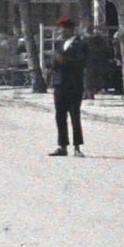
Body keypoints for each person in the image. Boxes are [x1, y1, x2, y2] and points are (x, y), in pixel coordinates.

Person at [48, 15, 93, 157]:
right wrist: (54, 61)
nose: (60, 32)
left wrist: (63, 60)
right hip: (60, 84)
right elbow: (54, 65)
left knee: (75, 115)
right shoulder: (59, 45)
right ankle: (62, 146)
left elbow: (80, 63)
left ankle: (77, 147)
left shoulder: (80, 44)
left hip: (74, 84)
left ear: (70, 29)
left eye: (62, 29)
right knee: (60, 115)